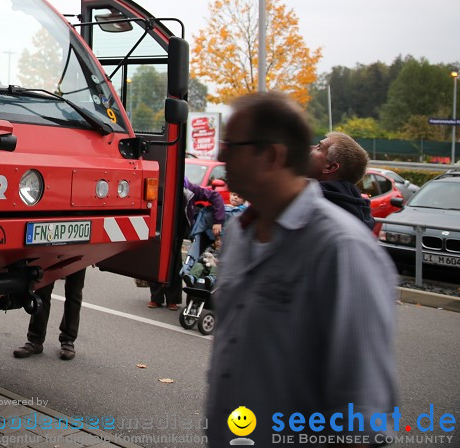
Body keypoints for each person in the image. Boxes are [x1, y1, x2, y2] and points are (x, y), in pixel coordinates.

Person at [205, 92, 396, 445]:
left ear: (272, 156)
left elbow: (363, 413)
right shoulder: (240, 232)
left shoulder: (342, 249)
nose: (220, 155)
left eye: (233, 145)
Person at [148, 178, 224, 310]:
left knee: (175, 262)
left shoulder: (190, 189)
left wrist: (218, 221)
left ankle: (173, 299)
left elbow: (215, 196)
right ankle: (156, 298)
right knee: (156, 259)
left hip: (177, 230)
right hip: (160, 226)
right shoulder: (159, 187)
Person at [12, 268, 86, 361]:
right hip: (51, 254)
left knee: (74, 293)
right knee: (42, 291)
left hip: (78, 254)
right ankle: (35, 340)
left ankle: (68, 339)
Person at [309, 131, 375, 230]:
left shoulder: (309, 208)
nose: (310, 147)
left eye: (319, 147)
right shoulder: (357, 221)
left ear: (330, 168)